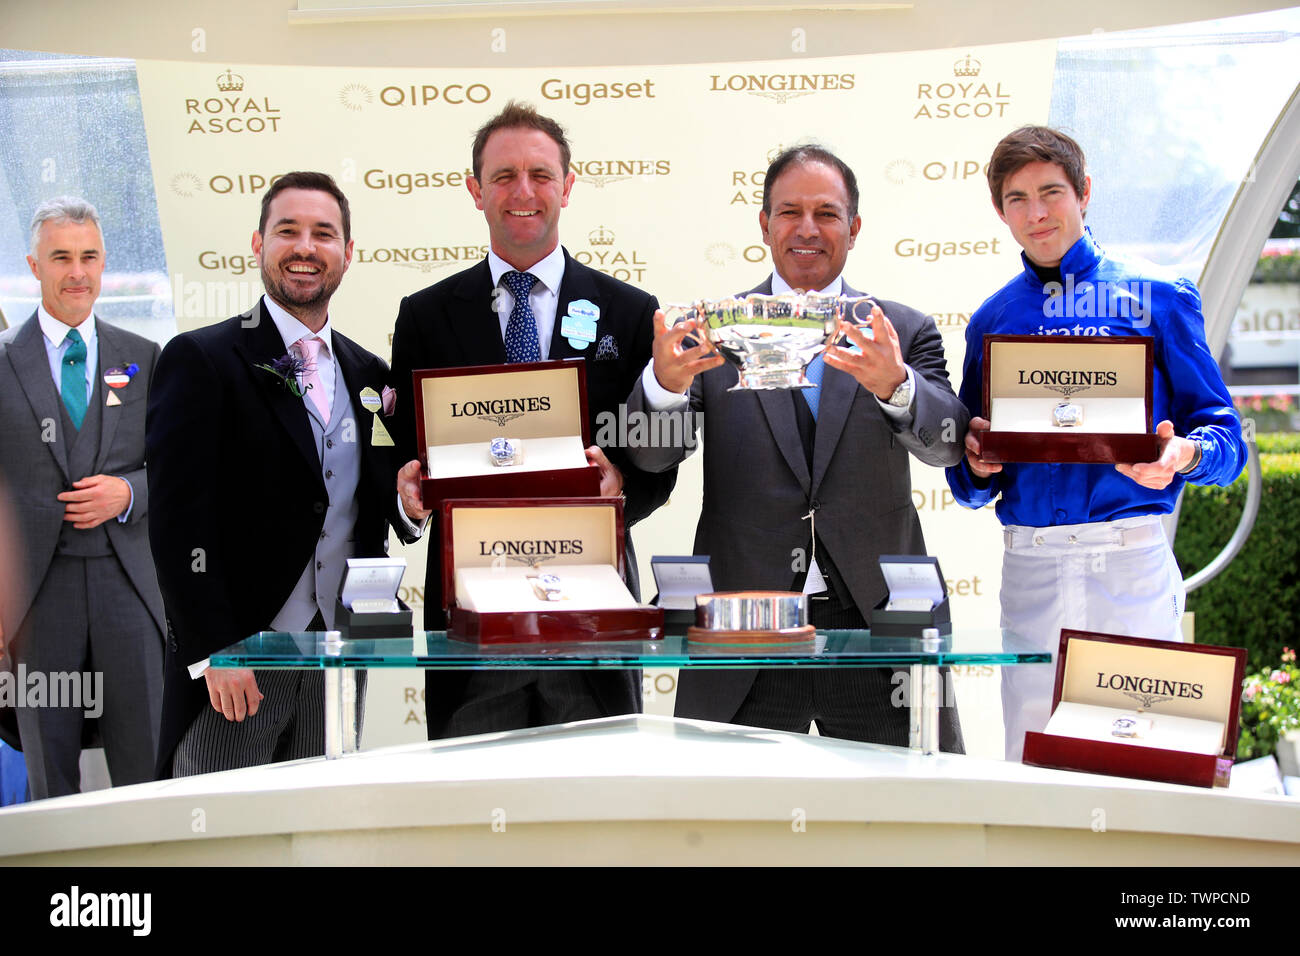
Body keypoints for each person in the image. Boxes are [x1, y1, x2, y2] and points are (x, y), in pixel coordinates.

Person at [626, 145, 968, 747]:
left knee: (903, 818)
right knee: (730, 831)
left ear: (855, 228)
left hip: (875, 625)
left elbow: (946, 446)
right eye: (789, 212)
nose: (807, 229)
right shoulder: (714, 329)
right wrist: (663, 386)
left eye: (827, 213)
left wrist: (895, 384)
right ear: (764, 224)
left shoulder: (902, 330)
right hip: (744, 628)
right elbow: (652, 456)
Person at [944, 126, 1247, 761]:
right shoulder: (992, 320)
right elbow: (970, 484)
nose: (1037, 212)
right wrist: (976, 463)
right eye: (1017, 198)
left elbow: (1226, 438)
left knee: (1146, 765)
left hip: (1130, 561)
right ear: (1000, 213)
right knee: (1031, 766)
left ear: (1084, 193)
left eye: (1051, 191)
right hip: (1029, 566)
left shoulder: (1160, 296)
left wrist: (1184, 456)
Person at [391, 101, 675, 738]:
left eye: (541, 175)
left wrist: (624, 484)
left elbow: (660, 452)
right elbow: (408, 458)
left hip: (591, 609)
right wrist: (408, 498)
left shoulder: (631, 312)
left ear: (568, 187)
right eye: (503, 176)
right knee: (472, 800)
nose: (524, 192)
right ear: (475, 190)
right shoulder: (425, 316)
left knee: (598, 804)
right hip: (471, 610)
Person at [148, 172, 415, 777]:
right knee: (220, 835)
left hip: (338, 654)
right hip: (241, 659)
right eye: (286, 231)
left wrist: (410, 504)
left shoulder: (369, 372)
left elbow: (371, 501)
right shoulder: (203, 358)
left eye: (324, 233)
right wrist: (216, 650)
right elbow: (175, 522)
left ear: (348, 253)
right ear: (258, 244)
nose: (304, 247)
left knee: (319, 829)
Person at [0, 197, 164, 798]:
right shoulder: (2, 362)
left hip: (130, 588)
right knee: (49, 773)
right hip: (35, 600)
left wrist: (128, 491)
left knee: (145, 764)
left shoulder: (145, 358)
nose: (77, 272)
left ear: (103, 264)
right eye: (61, 257)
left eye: (89, 257)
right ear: (33, 265)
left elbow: (176, 472)